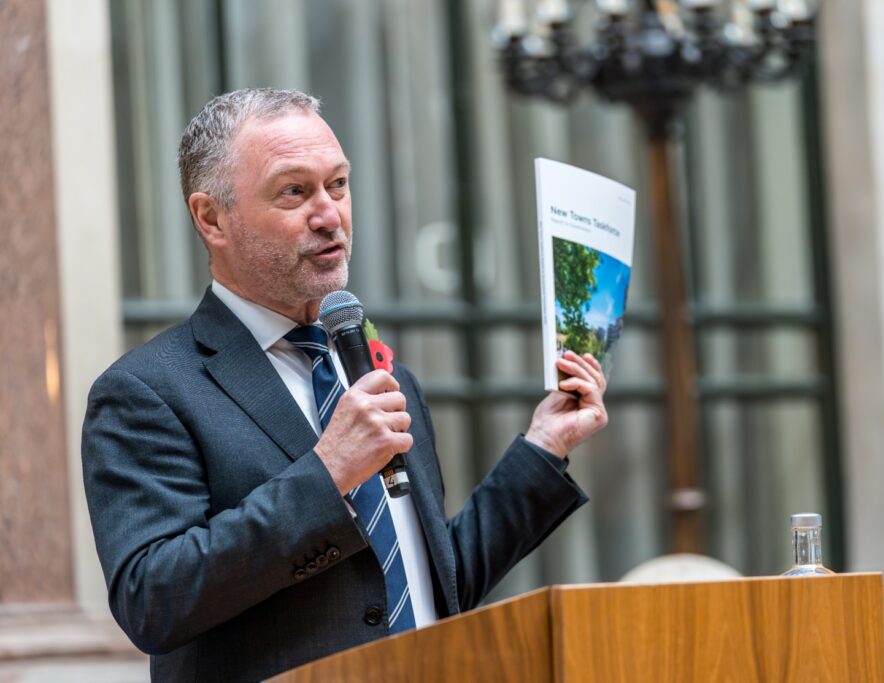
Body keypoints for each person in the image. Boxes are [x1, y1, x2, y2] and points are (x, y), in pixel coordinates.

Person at [82, 88, 608, 682]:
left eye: (337, 184)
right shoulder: (148, 391)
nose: (329, 214)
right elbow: (154, 599)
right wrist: (328, 472)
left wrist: (543, 446)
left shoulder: (381, 375)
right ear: (211, 218)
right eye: (294, 191)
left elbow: (433, 586)